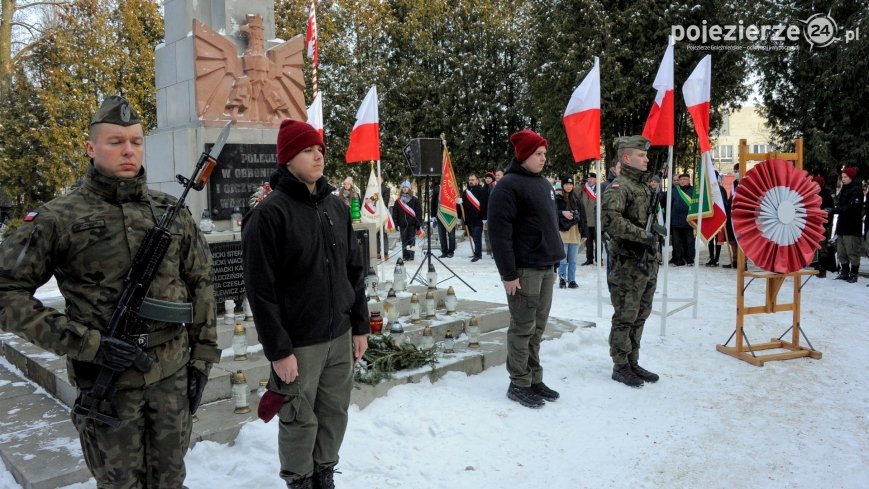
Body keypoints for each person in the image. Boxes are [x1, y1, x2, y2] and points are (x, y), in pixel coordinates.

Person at [0, 95, 219, 487]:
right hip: (109, 386)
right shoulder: (59, 217)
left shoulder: (171, 211)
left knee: (171, 480)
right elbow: (6, 292)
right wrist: (87, 343)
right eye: (116, 141)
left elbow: (200, 283)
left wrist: (201, 361)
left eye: (135, 141)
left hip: (170, 376)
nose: (129, 150)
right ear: (91, 148)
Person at [242, 119, 369, 489]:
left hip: (339, 335)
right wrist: (279, 350)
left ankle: (324, 471)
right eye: (307, 150)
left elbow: (354, 271)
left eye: (320, 150)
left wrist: (359, 325)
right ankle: (299, 480)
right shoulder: (268, 213)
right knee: (299, 417)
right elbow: (260, 291)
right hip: (299, 342)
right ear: (287, 158)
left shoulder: (336, 206)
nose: (318, 156)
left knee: (334, 412)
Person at [489, 129, 565, 409]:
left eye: (545, 153)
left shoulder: (543, 184)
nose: (544, 158)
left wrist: (553, 262)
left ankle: (534, 378)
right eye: (538, 154)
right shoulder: (508, 186)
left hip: (544, 267)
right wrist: (508, 274)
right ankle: (519, 382)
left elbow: (548, 226)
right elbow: (499, 235)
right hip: (524, 271)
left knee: (538, 328)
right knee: (523, 327)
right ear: (523, 155)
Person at [601, 135, 660, 388]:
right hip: (627, 262)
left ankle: (633, 360)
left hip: (647, 260)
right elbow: (611, 221)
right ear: (626, 158)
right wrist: (642, 235)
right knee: (625, 315)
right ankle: (620, 364)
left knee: (641, 314)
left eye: (646, 155)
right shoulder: (619, 186)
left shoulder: (644, 186)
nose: (646, 159)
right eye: (641, 155)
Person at [832, 167, 864, 283]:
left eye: (846, 177)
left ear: (852, 178)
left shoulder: (857, 191)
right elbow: (841, 206)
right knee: (841, 251)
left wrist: (834, 210)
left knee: (852, 251)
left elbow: (851, 209)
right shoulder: (844, 189)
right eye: (843, 177)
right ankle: (844, 271)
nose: (843, 179)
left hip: (852, 227)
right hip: (842, 225)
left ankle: (854, 273)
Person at [556, 174, 587, 288]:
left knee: (573, 260)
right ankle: (562, 279)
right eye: (566, 184)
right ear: (562, 185)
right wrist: (562, 213)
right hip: (562, 232)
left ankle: (572, 280)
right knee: (563, 260)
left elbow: (583, 217)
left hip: (575, 232)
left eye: (570, 184)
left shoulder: (577, 199)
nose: (568, 186)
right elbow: (552, 212)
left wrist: (584, 232)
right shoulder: (557, 198)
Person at [392, 180, 422, 261]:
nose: (405, 189)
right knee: (404, 240)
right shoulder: (398, 201)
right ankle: (405, 255)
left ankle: (411, 255)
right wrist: (395, 223)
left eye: (407, 187)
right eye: (403, 187)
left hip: (412, 224)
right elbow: (395, 213)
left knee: (411, 240)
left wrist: (418, 223)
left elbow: (418, 212)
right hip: (402, 225)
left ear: (409, 189)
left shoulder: (414, 200)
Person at [462, 172, 489, 262]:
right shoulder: (466, 192)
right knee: (473, 237)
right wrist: (459, 203)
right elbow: (462, 204)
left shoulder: (482, 191)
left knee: (477, 238)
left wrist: (484, 218)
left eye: (473, 180)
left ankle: (478, 255)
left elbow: (484, 206)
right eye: (470, 180)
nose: (471, 182)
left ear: (477, 180)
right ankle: (476, 253)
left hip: (478, 219)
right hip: (469, 219)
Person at [430, 182, 456, 258]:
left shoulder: (452, 186)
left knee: (451, 235)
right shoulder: (437, 188)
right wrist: (433, 215)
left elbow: (455, 200)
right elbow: (433, 202)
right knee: (442, 235)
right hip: (440, 214)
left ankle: (451, 251)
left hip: (450, 214)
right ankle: (444, 251)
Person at [579, 172, 598, 266]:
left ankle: (599, 260)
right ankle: (589, 259)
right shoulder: (583, 189)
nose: (589, 180)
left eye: (592, 178)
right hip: (586, 220)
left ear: (596, 180)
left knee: (598, 242)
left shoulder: (600, 188)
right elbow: (575, 193)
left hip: (596, 220)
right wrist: (580, 185)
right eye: (588, 179)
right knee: (588, 242)